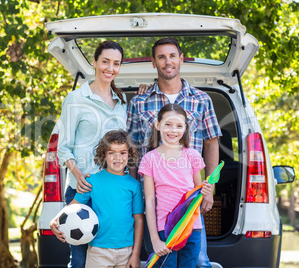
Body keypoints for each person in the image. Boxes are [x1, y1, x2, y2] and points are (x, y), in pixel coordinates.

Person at [127, 38, 222, 267]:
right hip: (153, 197)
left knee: (198, 261)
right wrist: (131, 193)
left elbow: (211, 143)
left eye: (172, 56)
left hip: (189, 198)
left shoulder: (201, 99)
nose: (167, 61)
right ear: (153, 62)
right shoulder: (139, 102)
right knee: (162, 258)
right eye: (161, 57)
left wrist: (208, 189)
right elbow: (131, 149)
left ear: (181, 59)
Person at [56, 40, 127, 268]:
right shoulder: (75, 99)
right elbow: (63, 147)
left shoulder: (122, 102)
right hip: (82, 188)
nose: (110, 68)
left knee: (109, 257)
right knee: (79, 260)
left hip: (112, 192)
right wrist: (77, 175)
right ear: (95, 62)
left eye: (116, 63)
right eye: (105, 61)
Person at [51, 130, 145, 268]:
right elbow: (73, 206)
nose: (117, 157)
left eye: (123, 153)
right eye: (111, 152)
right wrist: (55, 219)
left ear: (129, 155)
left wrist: (136, 254)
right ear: (104, 155)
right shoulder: (92, 181)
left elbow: (138, 219)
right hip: (98, 251)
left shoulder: (134, 185)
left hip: (127, 251)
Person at [139, 103, 213, 267]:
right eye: (168, 124)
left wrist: (206, 190)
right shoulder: (149, 159)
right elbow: (150, 202)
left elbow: (198, 191)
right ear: (158, 125)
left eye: (179, 126)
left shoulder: (193, 155)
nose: (173, 130)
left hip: (192, 227)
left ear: (185, 128)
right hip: (165, 229)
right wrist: (155, 240)